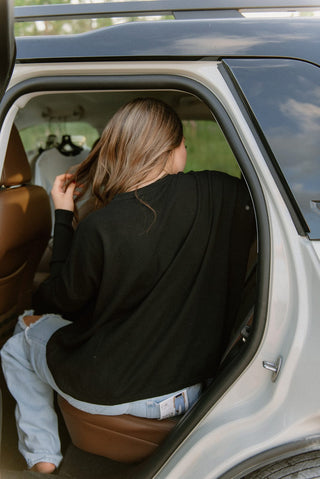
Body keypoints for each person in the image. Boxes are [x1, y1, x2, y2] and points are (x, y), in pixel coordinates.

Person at [1, 98, 254, 474]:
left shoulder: (102, 226)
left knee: (16, 345)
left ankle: (43, 459)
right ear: (171, 151)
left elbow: (60, 303)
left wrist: (64, 215)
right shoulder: (222, 195)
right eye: (183, 144)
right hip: (194, 391)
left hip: (110, 392)